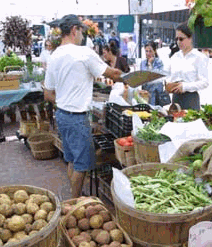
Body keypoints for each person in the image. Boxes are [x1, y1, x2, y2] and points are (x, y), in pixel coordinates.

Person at [44, 14, 122, 199]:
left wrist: (64, 103)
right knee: (83, 165)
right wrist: (132, 77)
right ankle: (74, 202)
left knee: (71, 160)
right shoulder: (83, 52)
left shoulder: (54, 56)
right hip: (77, 118)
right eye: (81, 31)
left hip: (62, 115)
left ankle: (74, 196)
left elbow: (47, 94)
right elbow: (113, 74)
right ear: (74, 30)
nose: (83, 35)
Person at [166, 23, 209, 110]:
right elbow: (168, 75)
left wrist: (185, 86)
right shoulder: (175, 57)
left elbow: (204, 82)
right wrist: (168, 85)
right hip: (175, 99)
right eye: (176, 39)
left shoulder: (199, 57)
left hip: (190, 99)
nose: (178, 42)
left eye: (181, 39)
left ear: (191, 38)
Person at [140, 41, 164, 106]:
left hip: (156, 94)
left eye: (150, 51)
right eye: (146, 51)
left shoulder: (159, 62)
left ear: (154, 51)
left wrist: (150, 65)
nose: (148, 53)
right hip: (146, 93)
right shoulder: (143, 63)